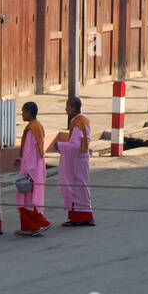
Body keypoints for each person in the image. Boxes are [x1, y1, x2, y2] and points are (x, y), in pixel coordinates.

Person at [54, 96, 95, 226]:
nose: (66, 109)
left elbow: (74, 145)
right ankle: (85, 216)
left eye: (67, 107)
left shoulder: (77, 123)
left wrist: (59, 145)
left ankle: (78, 218)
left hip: (77, 160)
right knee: (82, 186)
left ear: (73, 108)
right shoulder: (84, 120)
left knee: (76, 187)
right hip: (82, 158)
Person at [13, 101, 51, 236]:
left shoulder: (31, 129)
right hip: (36, 166)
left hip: (30, 168)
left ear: (29, 112)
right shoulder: (38, 126)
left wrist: (28, 173)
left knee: (27, 199)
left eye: (23, 111)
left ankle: (39, 224)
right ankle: (27, 227)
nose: (22, 114)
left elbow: (29, 153)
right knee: (27, 198)